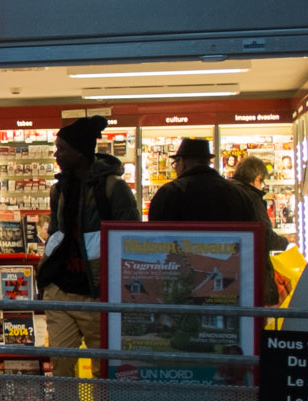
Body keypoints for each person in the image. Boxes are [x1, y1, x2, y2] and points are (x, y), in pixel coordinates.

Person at [37, 115, 140, 379]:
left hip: (97, 293)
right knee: (60, 366)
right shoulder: (59, 189)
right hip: (60, 290)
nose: (56, 154)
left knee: (103, 368)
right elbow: (56, 234)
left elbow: (130, 239)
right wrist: (46, 278)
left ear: (80, 152)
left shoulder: (113, 188)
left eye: (62, 149)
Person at [149, 139, 274, 300]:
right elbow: (251, 240)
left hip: (182, 282)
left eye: (175, 163)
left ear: (183, 162)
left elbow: (156, 243)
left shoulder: (169, 193)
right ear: (207, 162)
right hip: (229, 282)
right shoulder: (239, 194)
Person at [230, 156, 289, 304]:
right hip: (252, 271)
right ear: (257, 179)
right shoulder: (252, 198)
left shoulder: (228, 192)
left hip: (230, 268)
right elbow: (265, 236)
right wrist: (286, 243)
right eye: (262, 182)